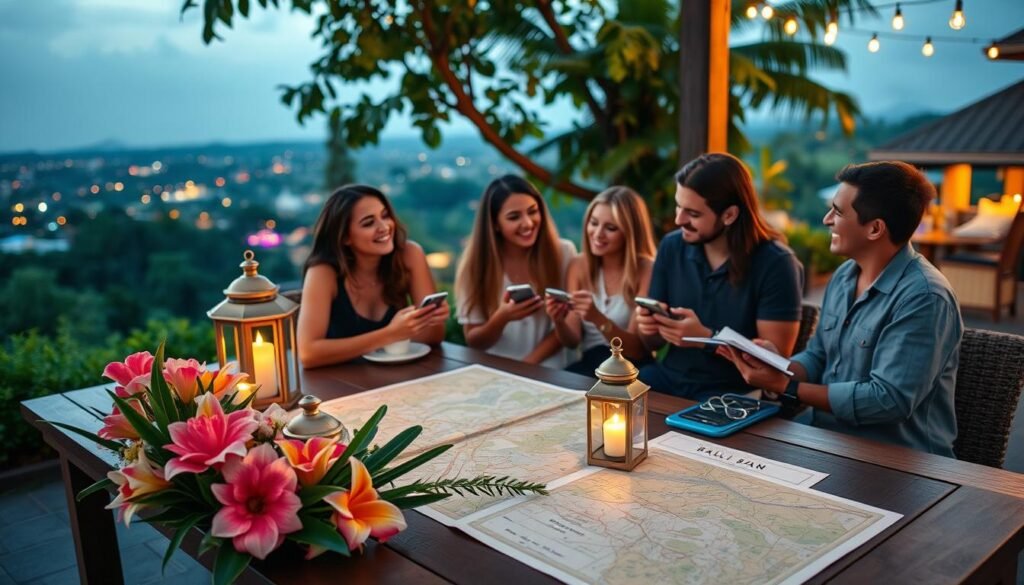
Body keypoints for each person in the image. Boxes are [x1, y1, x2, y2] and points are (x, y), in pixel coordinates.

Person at [720, 161, 962, 457]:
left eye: (838, 211)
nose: (826, 219)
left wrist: (787, 386)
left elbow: (888, 400)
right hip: (824, 438)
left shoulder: (925, 297)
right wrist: (778, 364)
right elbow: (819, 355)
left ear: (875, 229)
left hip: (894, 459)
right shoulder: (845, 276)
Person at [636, 153, 803, 400]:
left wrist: (706, 338)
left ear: (729, 215)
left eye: (692, 213)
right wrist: (650, 327)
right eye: (678, 206)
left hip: (734, 393)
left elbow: (773, 362)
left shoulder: (776, 263)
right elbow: (652, 345)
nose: (678, 219)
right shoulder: (672, 246)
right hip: (667, 380)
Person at [297, 184, 448, 368]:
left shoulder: (409, 255)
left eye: (385, 216)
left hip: (400, 378)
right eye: (369, 223)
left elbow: (432, 338)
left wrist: (428, 319)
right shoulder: (323, 272)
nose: (384, 227)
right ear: (345, 237)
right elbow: (308, 353)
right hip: (340, 385)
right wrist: (390, 334)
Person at [455, 174, 577, 367]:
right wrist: (502, 318)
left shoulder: (563, 252)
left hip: (553, 371)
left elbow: (567, 330)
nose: (528, 223)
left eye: (533, 211)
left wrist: (527, 365)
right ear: (495, 224)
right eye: (514, 217)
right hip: (499, 372)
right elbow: (474, 340)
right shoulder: (475, 266)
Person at [545, 186, 656, 375]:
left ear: (630, 233)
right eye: (594, 223)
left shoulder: (646, 269)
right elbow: (572, 341)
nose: (597, 234)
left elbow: (637, 350)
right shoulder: (578, 265)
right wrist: (559, 320)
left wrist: (597, 318)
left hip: (630, 367)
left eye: (610, 228)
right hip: (592, 364)